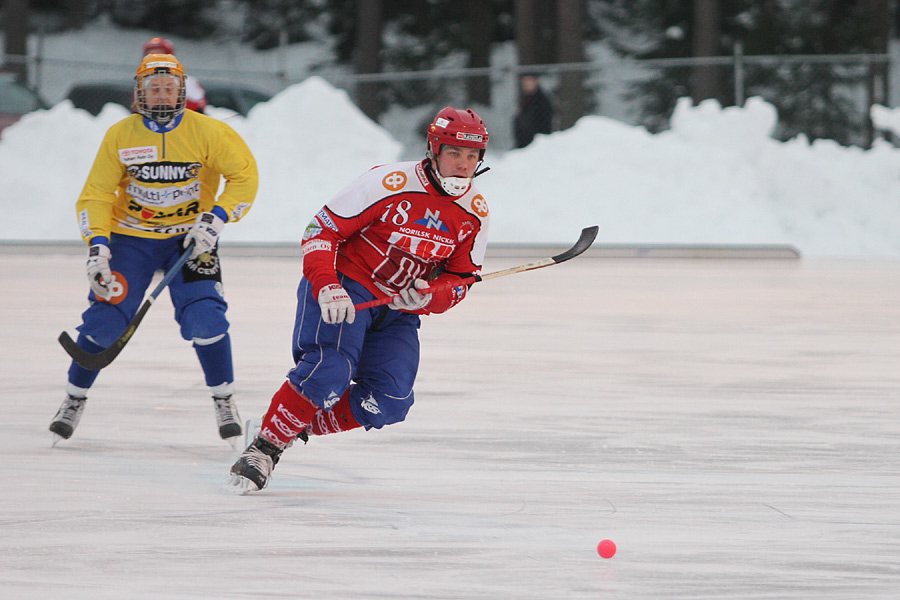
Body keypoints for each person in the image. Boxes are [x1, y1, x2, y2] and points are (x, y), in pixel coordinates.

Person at [228, 106, 491, 493]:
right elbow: (321, 230)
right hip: (347, 290)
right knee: (330, 369)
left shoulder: (474, 212)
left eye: (472, 156)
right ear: (434, 149)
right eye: (454, 153)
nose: (463, 165)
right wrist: (326, 284)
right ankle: (264, 448)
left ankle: (283, 424)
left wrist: (428, 298)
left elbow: (460, 280)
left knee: (390, 399)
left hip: (397, 312)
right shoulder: (390, 181)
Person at [49, 53, 259, 445]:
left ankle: (224, 397)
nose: (161, 95)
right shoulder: (121, 135)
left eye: (169, 88)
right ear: (139, 93)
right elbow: (96, 193)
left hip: (189, 240)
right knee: (106, 320)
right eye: (153, 88)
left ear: (182, 91)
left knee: (206, 319)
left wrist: (216, 218)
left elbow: (244, 177)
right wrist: (98, 246)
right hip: (131, 239)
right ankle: (73, 398)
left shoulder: (209, 132)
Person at [143, 36, 208, 113]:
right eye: (151, 54)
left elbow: (199, 106)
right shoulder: (143, 81)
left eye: (159, 53)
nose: (155, 58)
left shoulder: (186, 81)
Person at [513, 74, 553, 148]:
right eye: (525, 83)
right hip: (524, 140)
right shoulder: (525, 99)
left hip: (535, 141)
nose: (527, 85)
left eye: (529, 82)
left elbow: (544, 122)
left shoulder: (541, 101)